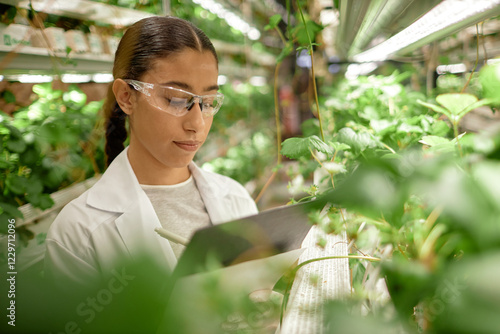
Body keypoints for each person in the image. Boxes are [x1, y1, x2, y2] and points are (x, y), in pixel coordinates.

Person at [44, 16, 258, 288]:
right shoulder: (78, 232)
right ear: (126, 97)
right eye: (177, 99)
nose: (196, 123)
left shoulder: (235, 198)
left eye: (208, 102)